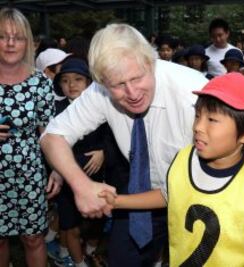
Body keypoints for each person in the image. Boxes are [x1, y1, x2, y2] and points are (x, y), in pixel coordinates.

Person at [99, 72, 244, 266]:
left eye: (212, 119)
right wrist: (118, 201)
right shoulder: (184, 158)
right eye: (197, 116)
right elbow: (171, 195)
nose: (198, 127)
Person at [40, 23, 208, 267]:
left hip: (200, 197)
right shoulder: (100, 91)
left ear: (151, 62)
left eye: (137, 78)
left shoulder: (193, 94)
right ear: (102, 82)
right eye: (118, 85)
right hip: (143, 194)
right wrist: (82, 185)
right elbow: (52, 136)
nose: (132, 93)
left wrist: (116, 201)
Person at [0, 7, 61, 267]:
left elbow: (49, 133)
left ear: (28, 42)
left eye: (18, 37)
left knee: (34, 238)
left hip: (29, 173)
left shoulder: (41, 83)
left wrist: (57, 170)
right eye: (2, 36)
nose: (11, 43)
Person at [52, 57, 108, 267]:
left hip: (96, 176)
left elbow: (111, 136)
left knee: (97, 222)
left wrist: (103, 151)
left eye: (78, 79)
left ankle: (91, 252)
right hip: (66, 178)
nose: (71, 85)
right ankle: (78, 262)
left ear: (89, 82)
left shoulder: (102, 106)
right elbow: (49, 141)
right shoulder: (55, 108)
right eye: (65, 80)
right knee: (70, 224)